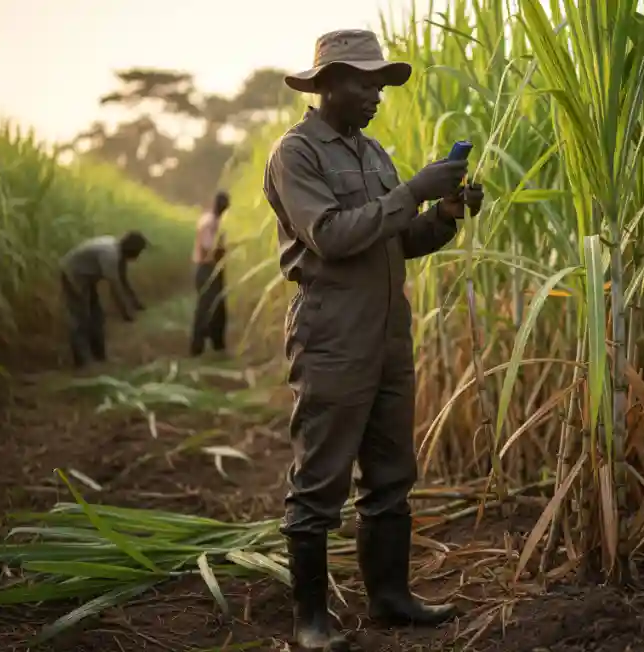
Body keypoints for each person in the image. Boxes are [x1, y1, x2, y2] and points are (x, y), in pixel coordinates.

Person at [263, 28, 484, 651]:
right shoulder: (296, 154)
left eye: (381, 83)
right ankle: (309, 619)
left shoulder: (375, 153)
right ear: (328, 83)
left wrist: (442, 215)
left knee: (391, 474)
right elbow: (331, 236)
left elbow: (397, 242)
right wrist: (413, 191)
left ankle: (389, 597)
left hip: (389, 333)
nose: (377, 94)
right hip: (332, 333)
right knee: (321, 476)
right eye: (366, 82)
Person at [59, 231, 147, 368]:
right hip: (74, 274)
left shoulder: (118, 251)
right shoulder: (110, 255)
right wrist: (126, 313)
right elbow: (115, 287)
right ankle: (83, 362)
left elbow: (123, 279)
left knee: (97, 316)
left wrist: (136, 302)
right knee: (81, 318)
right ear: (132, 250)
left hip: (88, 277)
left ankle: (100, 356)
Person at [190, 190, 230, 356]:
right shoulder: (210, 223)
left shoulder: (214, 221)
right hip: (207, 269)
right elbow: (209, 249)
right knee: (206, 308)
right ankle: (196, 347)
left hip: (212, 268)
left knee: (218, 308)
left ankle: (218, 345)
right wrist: (225, 250)